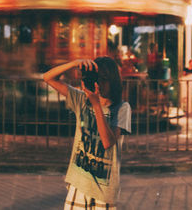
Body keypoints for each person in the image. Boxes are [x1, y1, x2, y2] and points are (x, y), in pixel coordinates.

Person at [43, 57, 131, 209]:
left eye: (104, 79)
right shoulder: (81, 99)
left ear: (113, 81)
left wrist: (96, 104)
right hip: (79, 184)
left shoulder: (122, 108)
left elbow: (108, 142)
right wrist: (74, 63)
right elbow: (48, 77)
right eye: (97, 79)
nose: (99, 84)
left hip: (104, 190)